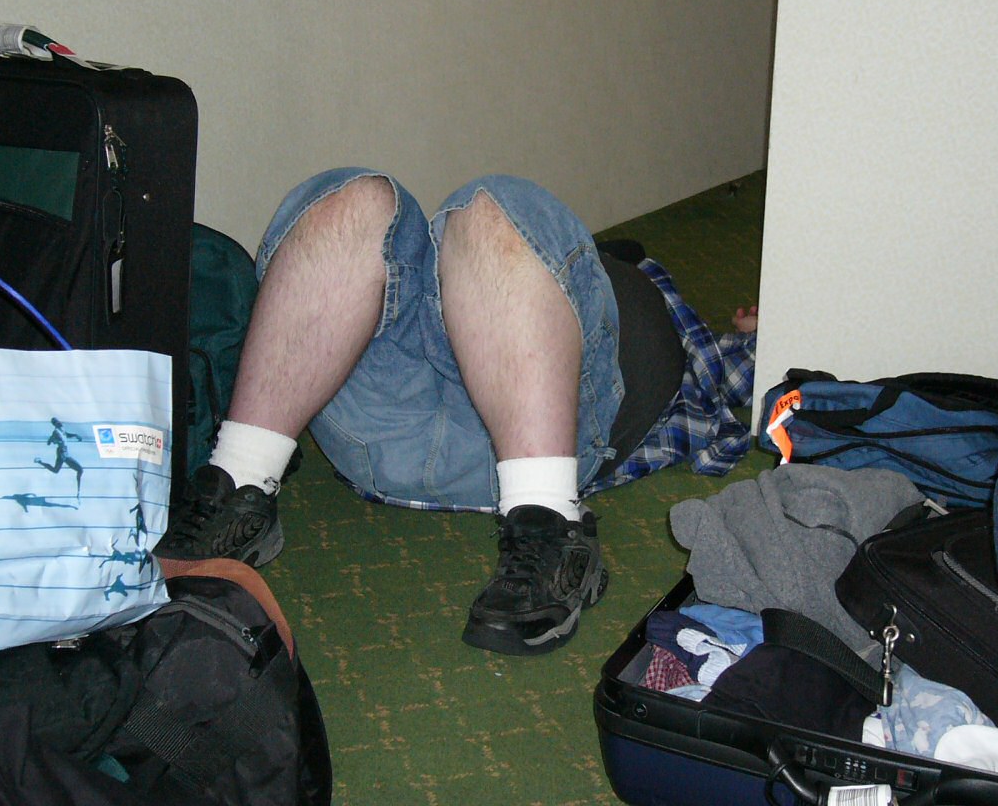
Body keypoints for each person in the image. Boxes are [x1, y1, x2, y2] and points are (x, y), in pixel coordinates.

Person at [156, 169, 756, 656]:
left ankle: (551, 522)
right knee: (352, 198)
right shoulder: (582, 274)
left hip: (548, 435)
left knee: (490, 206)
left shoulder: (586, 280)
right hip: (399, 433)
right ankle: (241, 481)